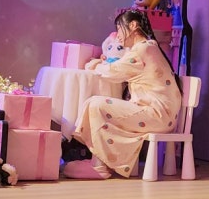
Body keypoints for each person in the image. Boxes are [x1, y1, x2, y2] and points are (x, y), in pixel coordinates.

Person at [63, 9, 182, 180]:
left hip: (157, 114)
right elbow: (119, 68)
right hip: (161, 114)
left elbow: (113, 71)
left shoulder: (142, 49)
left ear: (133, 25)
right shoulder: (148, 47)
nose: (118, 35)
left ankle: (100, 165)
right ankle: (100, 160)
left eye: (119, 29)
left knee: (96, 104)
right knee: (96, 104)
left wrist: (93, 65)